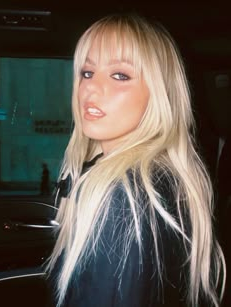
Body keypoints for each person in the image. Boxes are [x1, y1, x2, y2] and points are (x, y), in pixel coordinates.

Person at [46, 14, 226, 307]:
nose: (91, 88)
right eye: (87, 73)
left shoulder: (119, 194)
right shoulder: (165, 178)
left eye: (120, 76)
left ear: (159, 94)